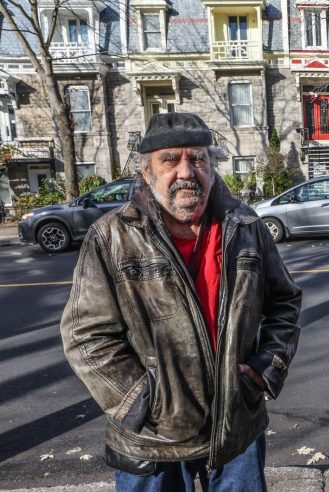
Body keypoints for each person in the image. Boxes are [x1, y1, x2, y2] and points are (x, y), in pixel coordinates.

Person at [60, 112, 302, 491]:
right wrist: (140, 401)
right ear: (147, 171)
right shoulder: (111, 237)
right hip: (154, 438)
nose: (187, 171)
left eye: (198, 158)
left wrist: (265, 368)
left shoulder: (247, 228)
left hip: (236, 425)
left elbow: (285, 302)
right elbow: (85, 335)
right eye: (170, 159)